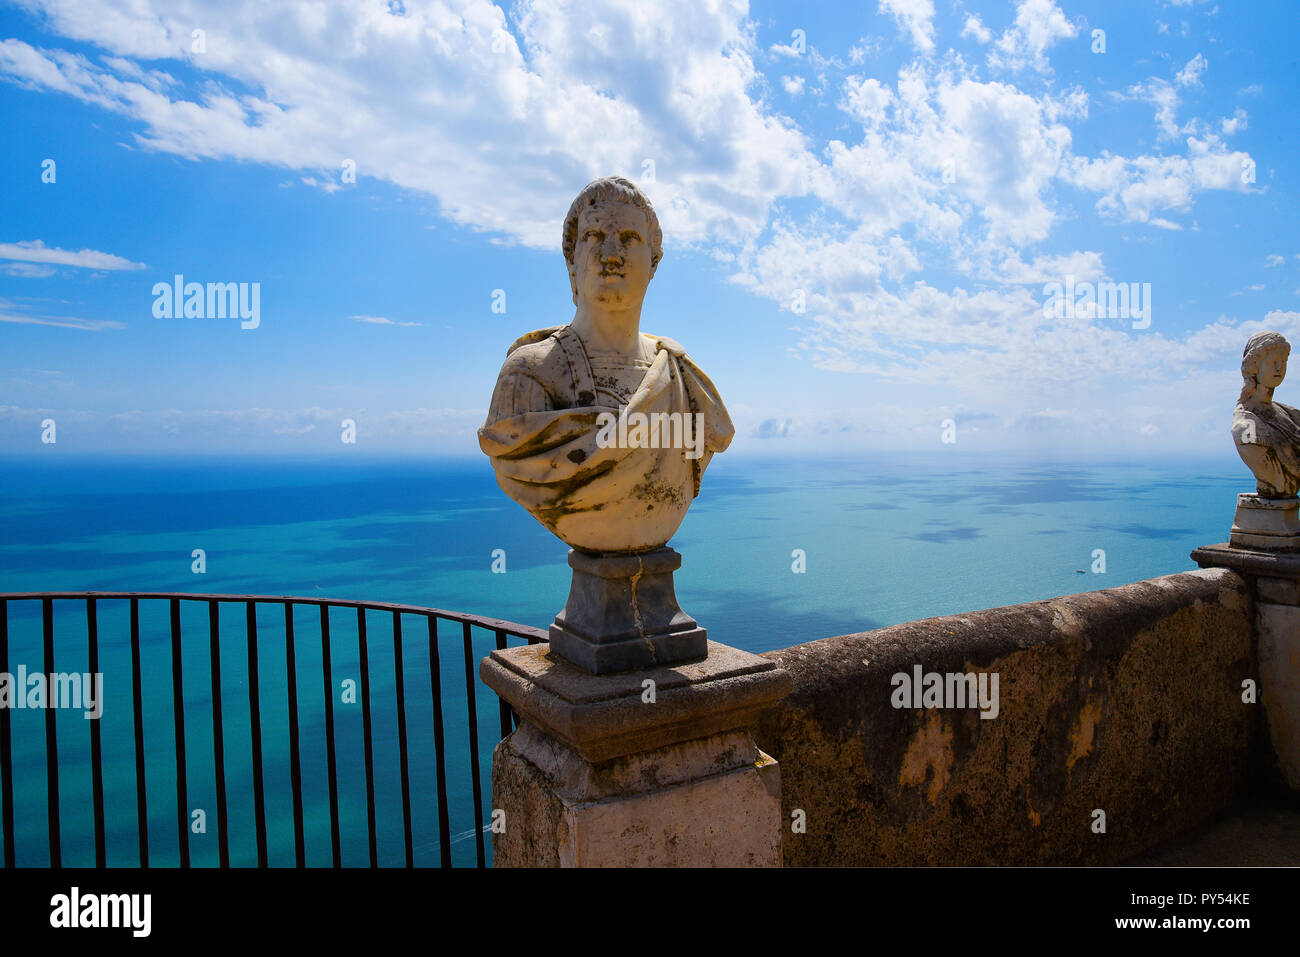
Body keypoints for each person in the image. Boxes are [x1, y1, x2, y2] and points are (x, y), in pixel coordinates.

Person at [478, 176, 733, 553]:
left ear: (653, 263)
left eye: (629, 238)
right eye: (594, 237)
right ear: (572, 260)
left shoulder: (683, 380)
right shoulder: (528, 376)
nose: (611, 254)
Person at [1233, 330, 1300, 498]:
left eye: (1284, 362)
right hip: (1276, 498)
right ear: (1254, 366)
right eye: (1273, 362)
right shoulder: (1246, 425)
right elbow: (1274, 475)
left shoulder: (1289, 413)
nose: (1280, 368)